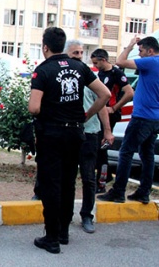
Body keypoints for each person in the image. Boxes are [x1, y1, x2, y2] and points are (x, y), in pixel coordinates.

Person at [28, 27, 110, 254]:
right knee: (68, 182)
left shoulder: (42, 71)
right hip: (75, 133)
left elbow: (34, 107)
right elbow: (105, 95)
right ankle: (63, 232)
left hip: (51, 134)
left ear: (45, 47)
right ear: (63, 45)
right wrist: (86, 115)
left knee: (50, 183)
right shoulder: (80, 67)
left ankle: (51, 237)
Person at [98, 36, 159, 205]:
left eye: (140, 51)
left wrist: (131, 45)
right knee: (147, 155)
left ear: (150, 51)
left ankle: (118, 192)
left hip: (142, 117)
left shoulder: (152, 61)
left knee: (126, 152)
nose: (139, 55)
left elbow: (120, 61)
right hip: (155, 118)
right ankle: (144, 192)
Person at [65, 39, 114, 234]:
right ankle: (65, 215)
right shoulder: (64, 78)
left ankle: (87, 215)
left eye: (80, 53)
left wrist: (107, 130)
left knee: (88, 178)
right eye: (74, 53)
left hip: (89, 134)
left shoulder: (91, 79)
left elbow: (102, 105)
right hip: (68, 134)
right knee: (67, 177)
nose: (78, 56)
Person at [90, 48, 134, 191]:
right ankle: (104, 175)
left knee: (101, 147)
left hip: (110, 114)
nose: (95, 66)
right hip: (100, 112)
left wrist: (114, 108)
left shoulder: (116, 73)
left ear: (103, 59)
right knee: (97, 147)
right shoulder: (101, 73)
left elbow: (129, 92)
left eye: (96, 63)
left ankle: (102, 181)